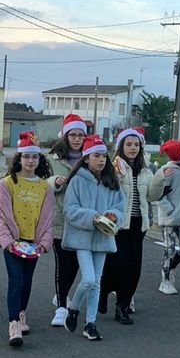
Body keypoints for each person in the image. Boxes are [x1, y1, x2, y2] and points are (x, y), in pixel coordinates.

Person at [0, 131, 54, 346]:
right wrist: (7, 241)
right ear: (19, 158)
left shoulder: (44, 187)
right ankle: (13, 324)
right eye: (26, 156)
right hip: (12, 243)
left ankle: (21, 313)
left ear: (39, 160)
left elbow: (47, 218)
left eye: (34, 157)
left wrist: (44, 242)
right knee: (16, 281)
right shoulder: (7, 184)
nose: (30, 161)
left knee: (27, 283)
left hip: (33, 243)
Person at [62, 134, 125, 341]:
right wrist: (93, 217)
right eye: (96, 156)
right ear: (87, 158)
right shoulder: (77, 181)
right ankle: (73, 307)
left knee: (96, 281)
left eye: (104, 156)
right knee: (88, 278)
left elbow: (120, 207)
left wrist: (114, 215)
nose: (101, 160)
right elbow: (69, 210)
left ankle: (90, 323)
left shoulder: (111, 181)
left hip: (103, 237)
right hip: (82, 237)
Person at [99, 127, 156, 325]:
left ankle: (122, 306)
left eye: (136, 145)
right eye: (129, 144)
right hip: (118, 224)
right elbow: (106, 190)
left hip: (138, 224)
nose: (133, 148)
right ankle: (103, 292)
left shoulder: (146, 170)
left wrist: (162, 181)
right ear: (121, 146)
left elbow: (151, 196)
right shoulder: (114, 167)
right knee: (114, 264)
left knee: (133, 268)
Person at [46, 113, 86, 327]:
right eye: (73, 135)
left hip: (81, 219)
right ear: (65, 136)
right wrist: (54, 181)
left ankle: (61, 294)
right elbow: (42, 183)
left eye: (80, 135)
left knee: (76, 263)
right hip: (60, 217)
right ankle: (61, 306)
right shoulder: (53, 159)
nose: (77, 139)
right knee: (63, 263)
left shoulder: (90, 157)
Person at [151, 139, 180, 295]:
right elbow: (158, 194)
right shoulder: (167, 171)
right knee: (169, 249)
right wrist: (168, 209)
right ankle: (165, 280)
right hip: (169, 219)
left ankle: (171, 267)